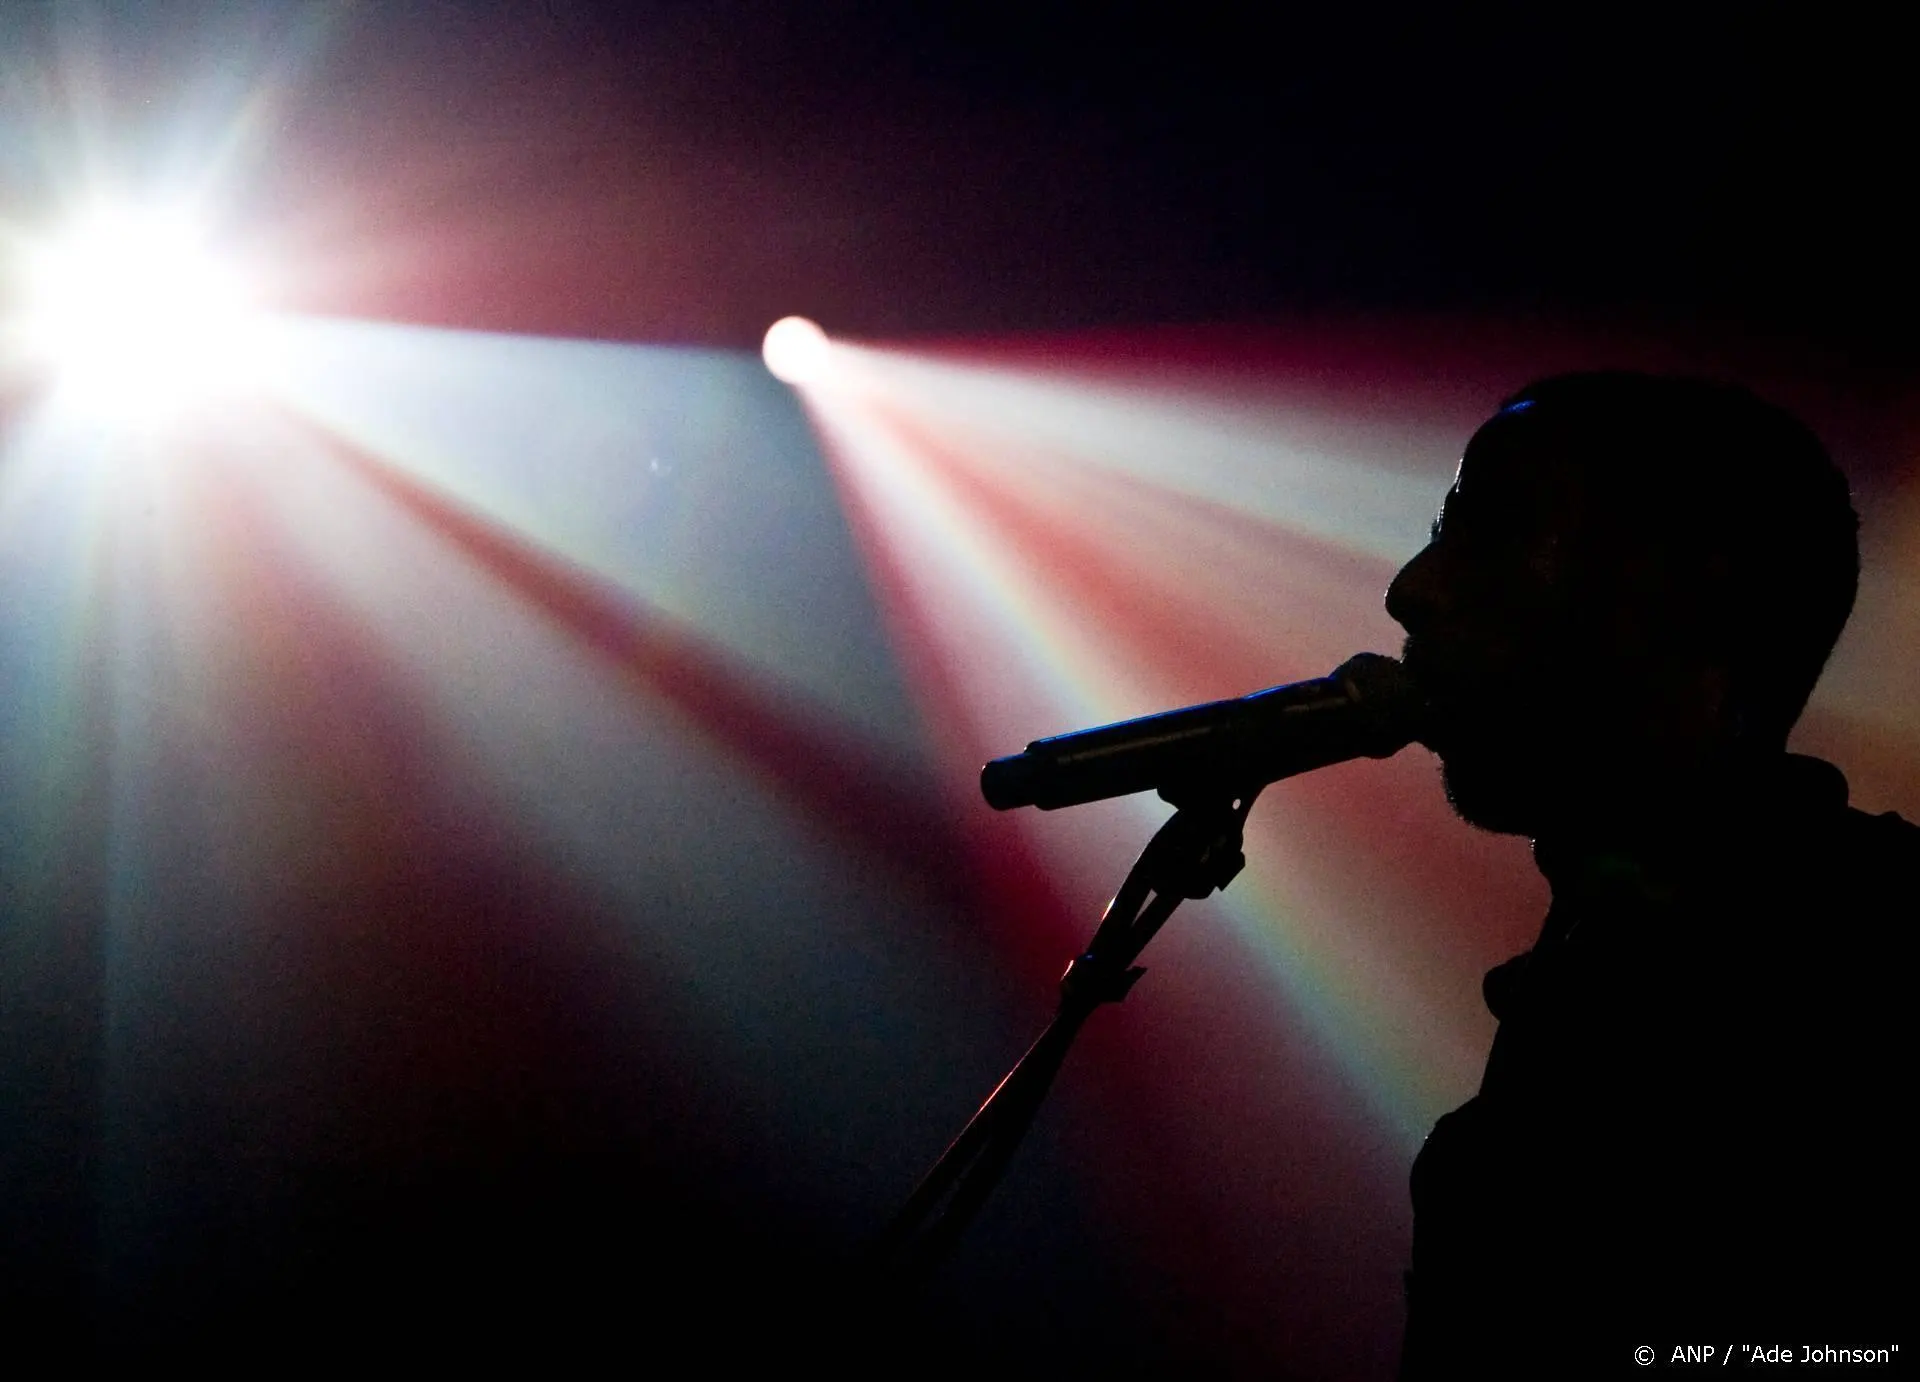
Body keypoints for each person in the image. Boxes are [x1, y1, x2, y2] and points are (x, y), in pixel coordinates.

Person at [1384, 373, 1913, 1377]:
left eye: (1492, 529)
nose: (1414, 585)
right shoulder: (1589, 972)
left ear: (1694, 598)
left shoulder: (1871, 975)